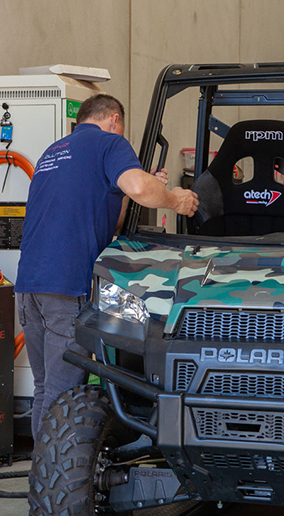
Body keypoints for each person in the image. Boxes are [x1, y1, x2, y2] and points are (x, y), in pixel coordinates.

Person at [15, 93, 199, 439]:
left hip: (29, 286)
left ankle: (41, 480)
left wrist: (134, 189)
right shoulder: (110, 142)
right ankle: (52, 490)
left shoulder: (53, 152)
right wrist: (175, 198)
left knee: (45, 389)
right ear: (114, 119)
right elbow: (137, 185)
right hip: (67, 287)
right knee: (63, 397)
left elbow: (111, 219)